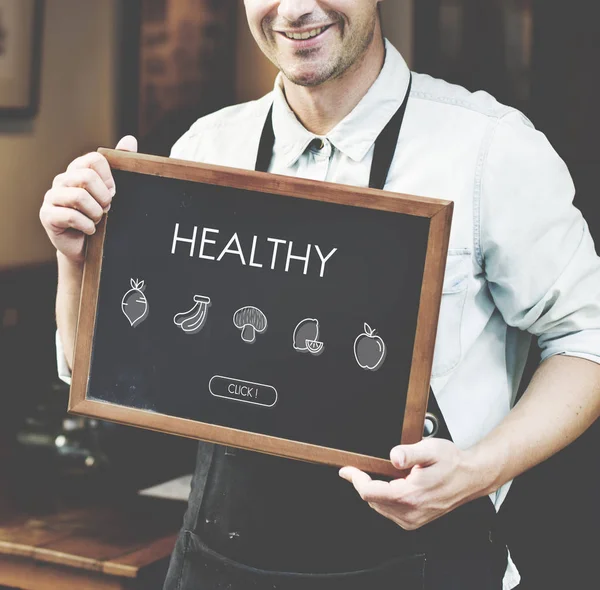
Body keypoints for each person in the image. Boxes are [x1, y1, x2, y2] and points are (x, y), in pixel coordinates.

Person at [40, 1, 600, 589]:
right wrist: (73, 257)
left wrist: (478, 472)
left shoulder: (490, 149)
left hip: (426, 568)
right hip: (220, 566)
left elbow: (587, 339)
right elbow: (96, 370)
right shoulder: (205, 150)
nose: (298, 8)